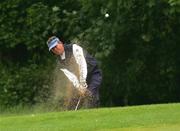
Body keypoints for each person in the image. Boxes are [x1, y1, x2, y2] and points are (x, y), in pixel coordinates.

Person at [47, 36, 102, 110]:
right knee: (72, 105)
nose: (55, 50)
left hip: (93, 74)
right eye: (53, 49)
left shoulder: (74, 48)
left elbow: (82, 65)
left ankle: (95, 117)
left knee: (91, 97)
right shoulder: (60, 62)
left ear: (60, 43)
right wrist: (79, 88)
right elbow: (71, 77)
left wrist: (83, 84)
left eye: (55, 46)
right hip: (80, 81)